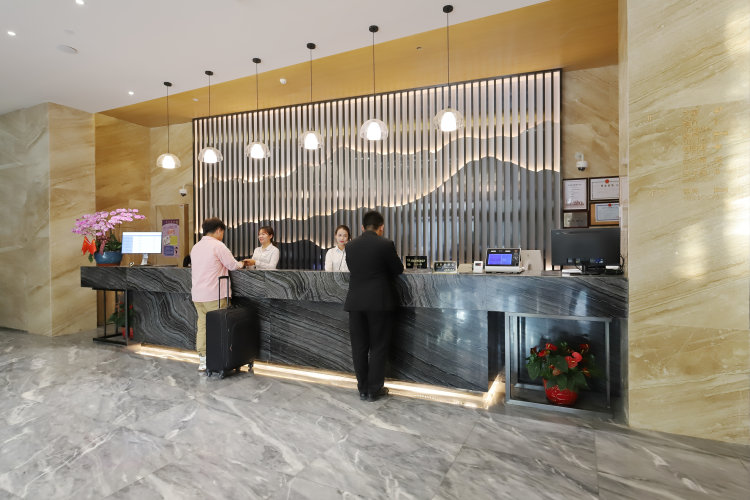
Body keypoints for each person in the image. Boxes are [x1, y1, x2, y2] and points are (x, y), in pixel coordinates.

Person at [344, 210, 404, 402]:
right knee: (378, 346)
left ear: (362, 227)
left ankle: (362, 389)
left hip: (355, 302)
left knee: (359, 347)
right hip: (379, 302)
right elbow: (398, 269)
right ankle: (374, 390)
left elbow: (353, 268)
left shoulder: (350, 246)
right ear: (381, 227)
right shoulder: (385, 244)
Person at [190, 217, 251, 372]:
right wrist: (243, 263)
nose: (222, 235)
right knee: (220, 328)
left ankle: (203, 361)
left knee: (202, 326)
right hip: (214, 295)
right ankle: (219, 360)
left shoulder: (196, 247)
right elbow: (232, 265)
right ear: (218, 230)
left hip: (198, 295)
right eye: (222, 232)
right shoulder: (218, 245)